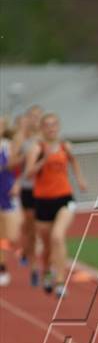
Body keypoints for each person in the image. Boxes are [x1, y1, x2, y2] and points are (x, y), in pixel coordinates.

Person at [23, 113, 87, 297]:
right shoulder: (37, 148)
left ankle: (60, 281)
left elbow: (73, 162)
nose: (51, 128)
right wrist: (44, 159)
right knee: (47, 246)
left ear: (58, 127)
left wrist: (80, 179)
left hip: (64, 198)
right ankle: (46, 271)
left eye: (54, 125)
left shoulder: (65, 146)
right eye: (47, 125)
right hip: (43, 201)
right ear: (42, 128)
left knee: (58, 237)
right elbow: (28, 174)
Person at [11, 105, 44, 285]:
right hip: (28, 189)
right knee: (31, 229)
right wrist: (25, 158)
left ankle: (48, 264)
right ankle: (33, 267)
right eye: (32, 116)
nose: (35, 120)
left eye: (39, 116)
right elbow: (11, 163)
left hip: (47, 190)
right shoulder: (22, 140)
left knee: (47, 230)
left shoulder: (49, 140)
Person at [0, 116, 23, 286]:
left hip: (6, 192)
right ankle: (2, 267)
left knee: (11, 235)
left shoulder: (8, 146)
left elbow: (17, 167)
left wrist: (17, 183)